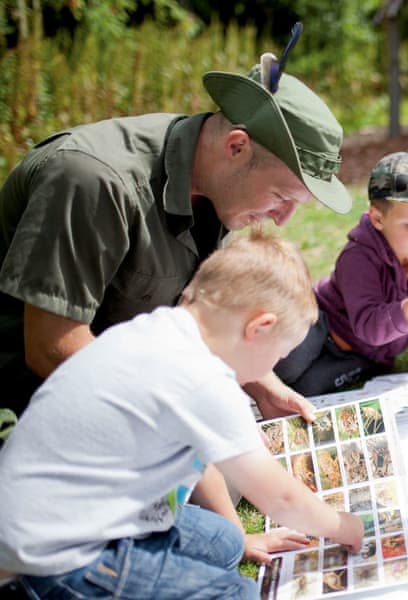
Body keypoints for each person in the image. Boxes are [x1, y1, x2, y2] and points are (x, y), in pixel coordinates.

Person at [0, 229, 364, 598]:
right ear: (260, 327)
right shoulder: (204, 380)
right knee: (238, 593)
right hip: (62, 558)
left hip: (39, 520)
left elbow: (198, 459)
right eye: (279, 354)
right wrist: (342, 526)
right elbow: (281, 499)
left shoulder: (154, 332)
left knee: (225, 542)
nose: (271, 367)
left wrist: (240, 535)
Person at [0, 49, 351, 424]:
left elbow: (216, 316)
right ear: (236, 147)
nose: (282, 220)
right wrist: (169, 418)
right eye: (281, 197)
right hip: (28, 407)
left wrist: (267, 389)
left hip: (119, 391)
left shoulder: (221, 190)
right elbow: (50, 346)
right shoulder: (94, 180)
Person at [274, 151, 408, 395]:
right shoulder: (357, 258)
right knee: (287, 367)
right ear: (378, 218)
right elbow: (368, 325)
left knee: (309, 387)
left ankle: (359, 366)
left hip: (366, 352)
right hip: (320, 325)